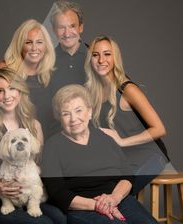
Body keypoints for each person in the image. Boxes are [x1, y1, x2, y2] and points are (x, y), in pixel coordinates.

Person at [0, 68, 66, 224]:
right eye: (0, 91)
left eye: (12, 88)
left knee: (60, 218)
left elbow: (38, 165)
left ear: (20, 92)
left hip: (23, 199)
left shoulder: (33, 126)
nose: (7, 96)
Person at [42, 84, 158, 224]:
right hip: (84, 208)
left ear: (89, 112)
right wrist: (97, 205)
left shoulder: (105, 138)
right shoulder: (52, 146)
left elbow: (127, 175)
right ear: (59, 117)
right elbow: (57, 193)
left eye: (79, 110)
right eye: (66, 114)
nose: (73, 119)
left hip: (118, 200)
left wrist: (114, 198)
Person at [85, 35, 170, 194]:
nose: (101, 60)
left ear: (115, 58)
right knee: (95, 191)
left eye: (107, 54)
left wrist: (123, 142)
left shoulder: (128, 89)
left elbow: (159, 129)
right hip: (122, 159)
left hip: (150, 155)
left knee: (116, 196)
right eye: (95, 55)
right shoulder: (93, 93)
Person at [0, 19, 56, 140]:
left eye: (39, 42)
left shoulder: (49, 75)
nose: (34, 48)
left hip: (40, 147)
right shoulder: (3, 68)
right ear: (20, 44)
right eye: (28, 42)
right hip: (5, 144)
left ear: (46, 46)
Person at [47, 0, 88, 136]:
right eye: (61, 27)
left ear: (81, 27)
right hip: (55, 135)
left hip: (91, 132)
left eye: (72, 26)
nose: (67, 33)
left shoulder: (95, 57)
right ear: (53, 30)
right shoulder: (46, 60)